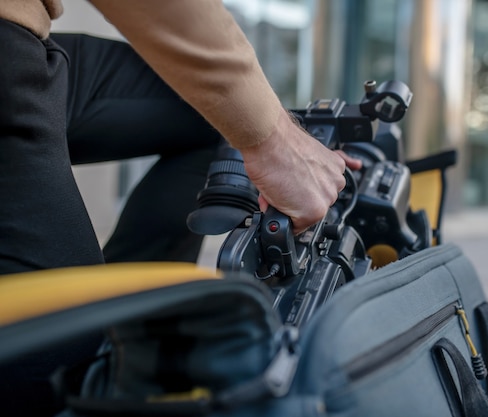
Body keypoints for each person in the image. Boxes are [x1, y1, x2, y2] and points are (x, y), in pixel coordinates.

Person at [0, 0, 361, 415]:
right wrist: (274, 141)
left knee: (217, 114)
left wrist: (268, 127)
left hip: (27, 40)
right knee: (62, 341)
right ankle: (83, 373)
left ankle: (127, 343)